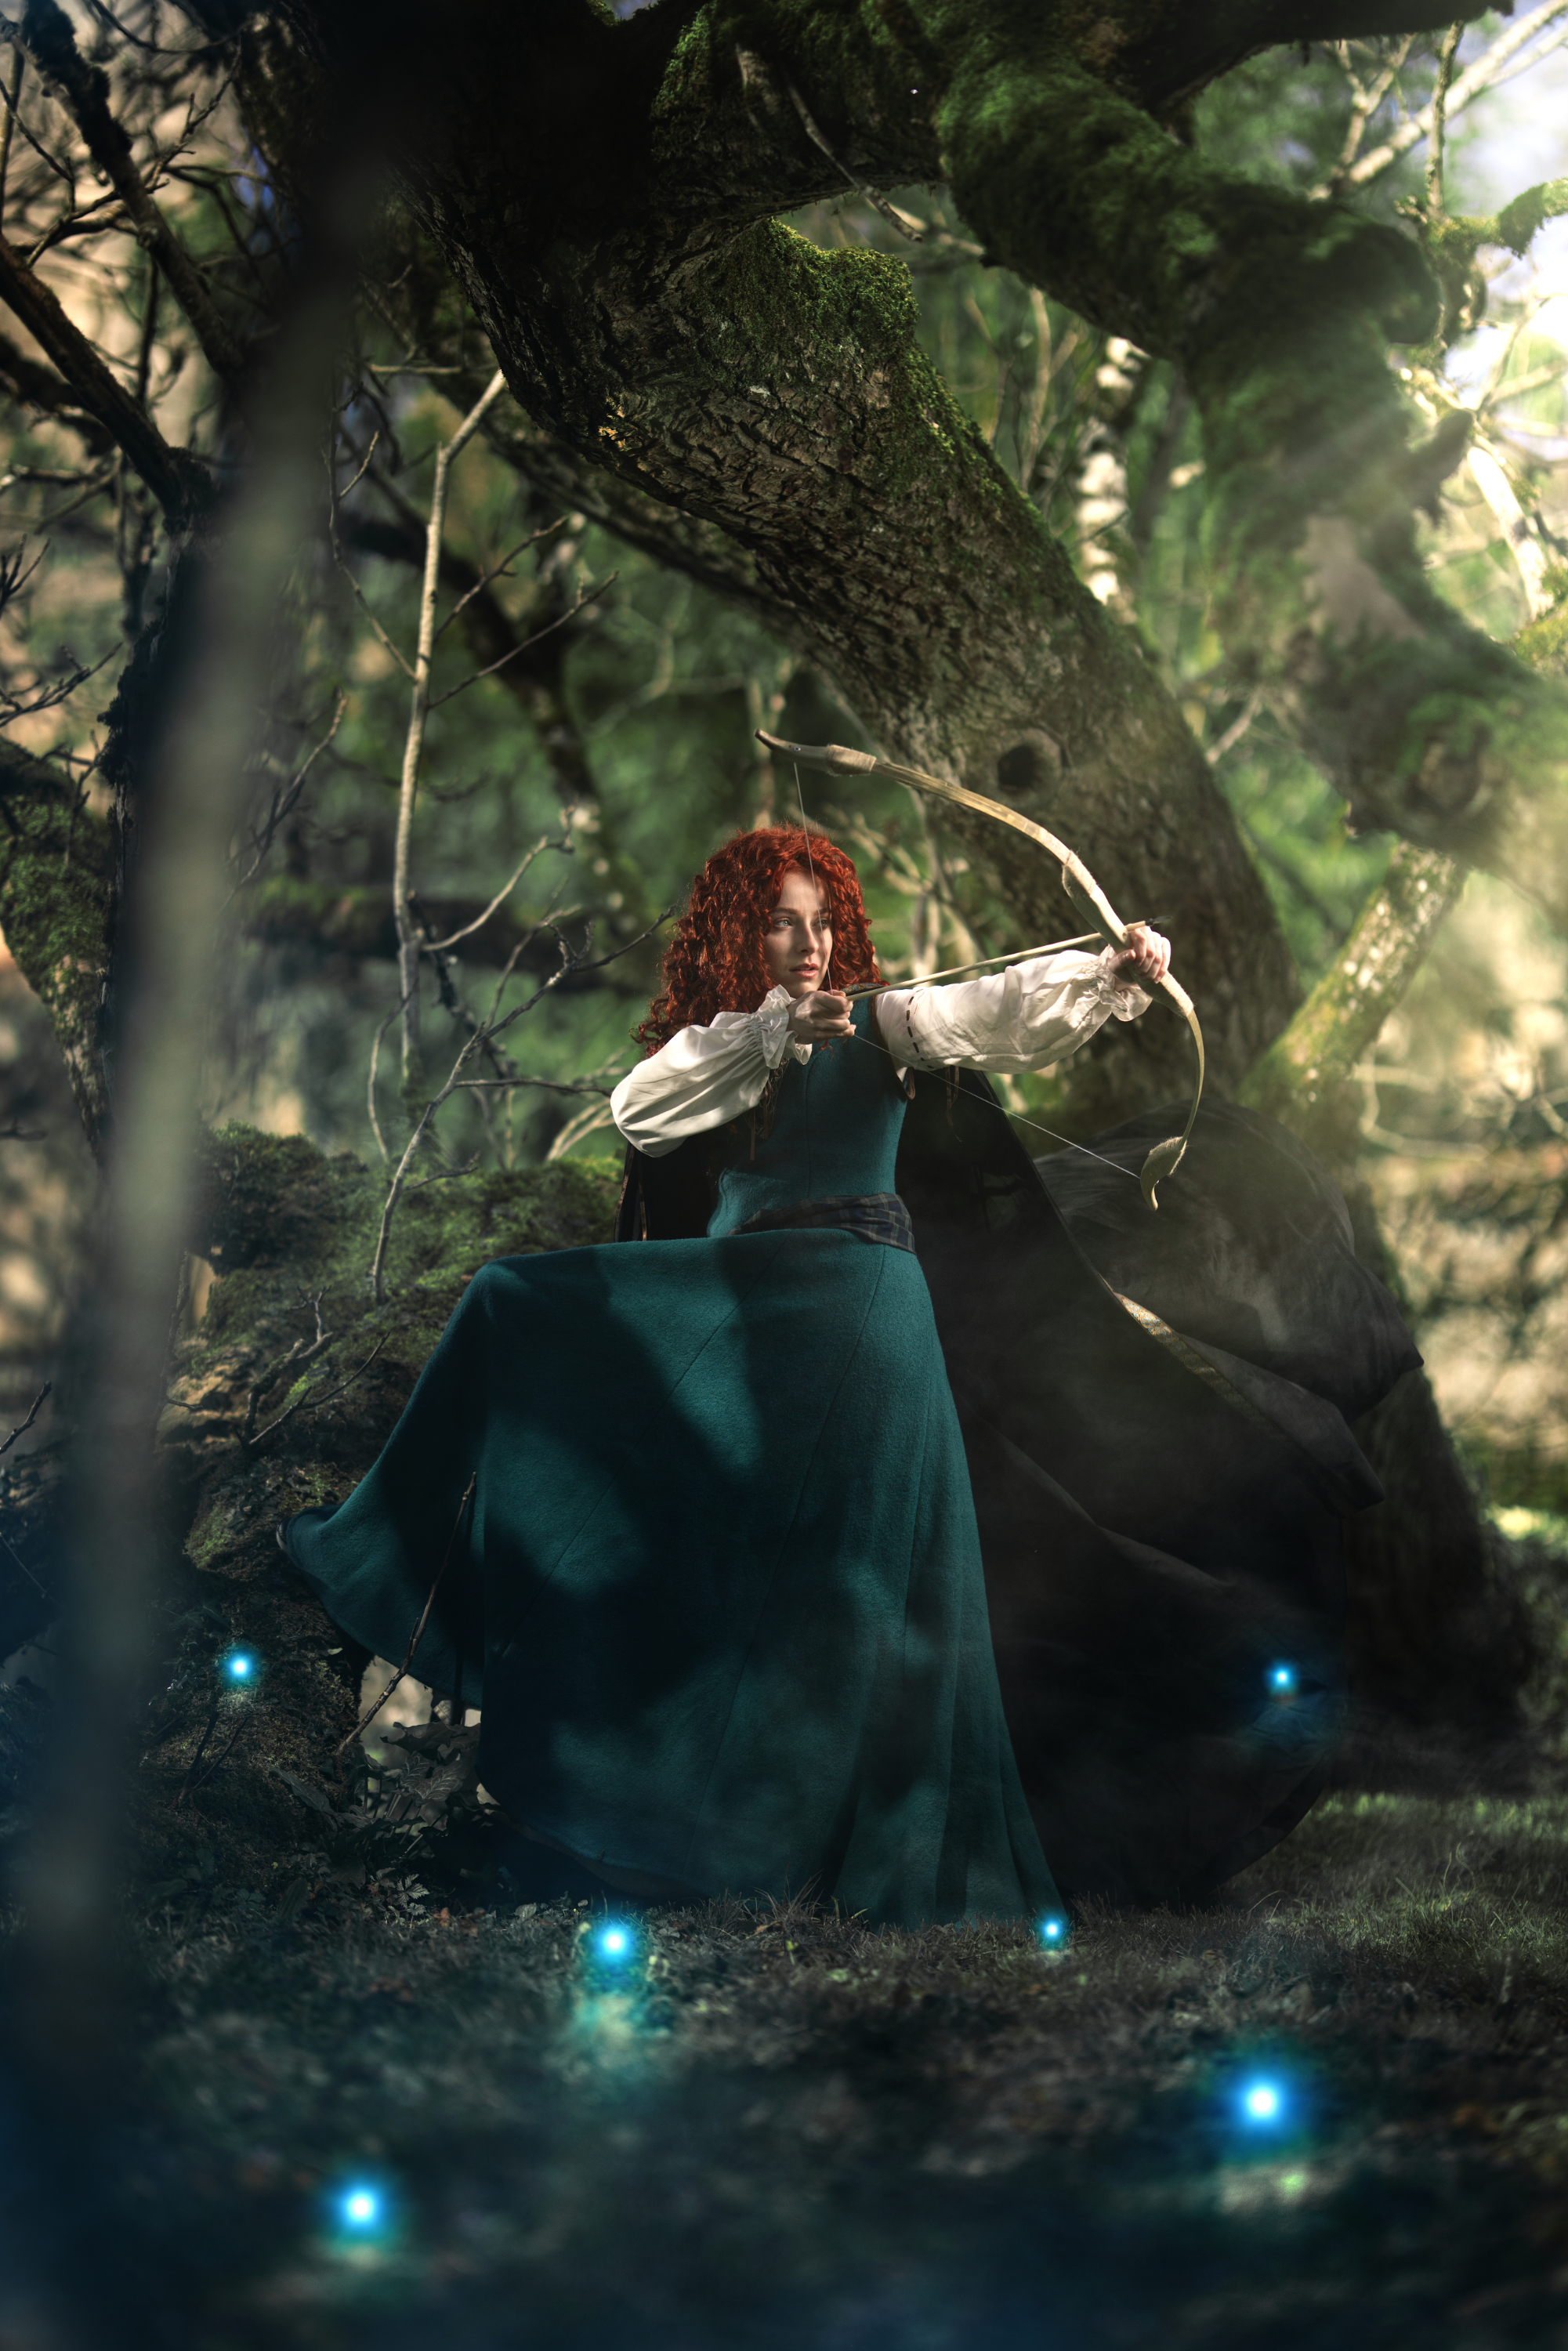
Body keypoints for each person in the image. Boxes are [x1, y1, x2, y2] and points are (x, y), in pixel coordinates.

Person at [283, 824, 1179, 1925]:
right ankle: (392, 1565)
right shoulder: (724, 1044)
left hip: (852, 1304)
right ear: (736, 936)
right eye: (781, 925)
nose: (810, 946)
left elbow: (991, 1010)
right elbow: (638, 1111)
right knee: (518, 1310)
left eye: (822, 924)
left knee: (831, 1599)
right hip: (745, 1301)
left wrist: (1107, 971)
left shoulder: (886, 1022)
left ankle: (758, 1849)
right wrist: (766, 1035)